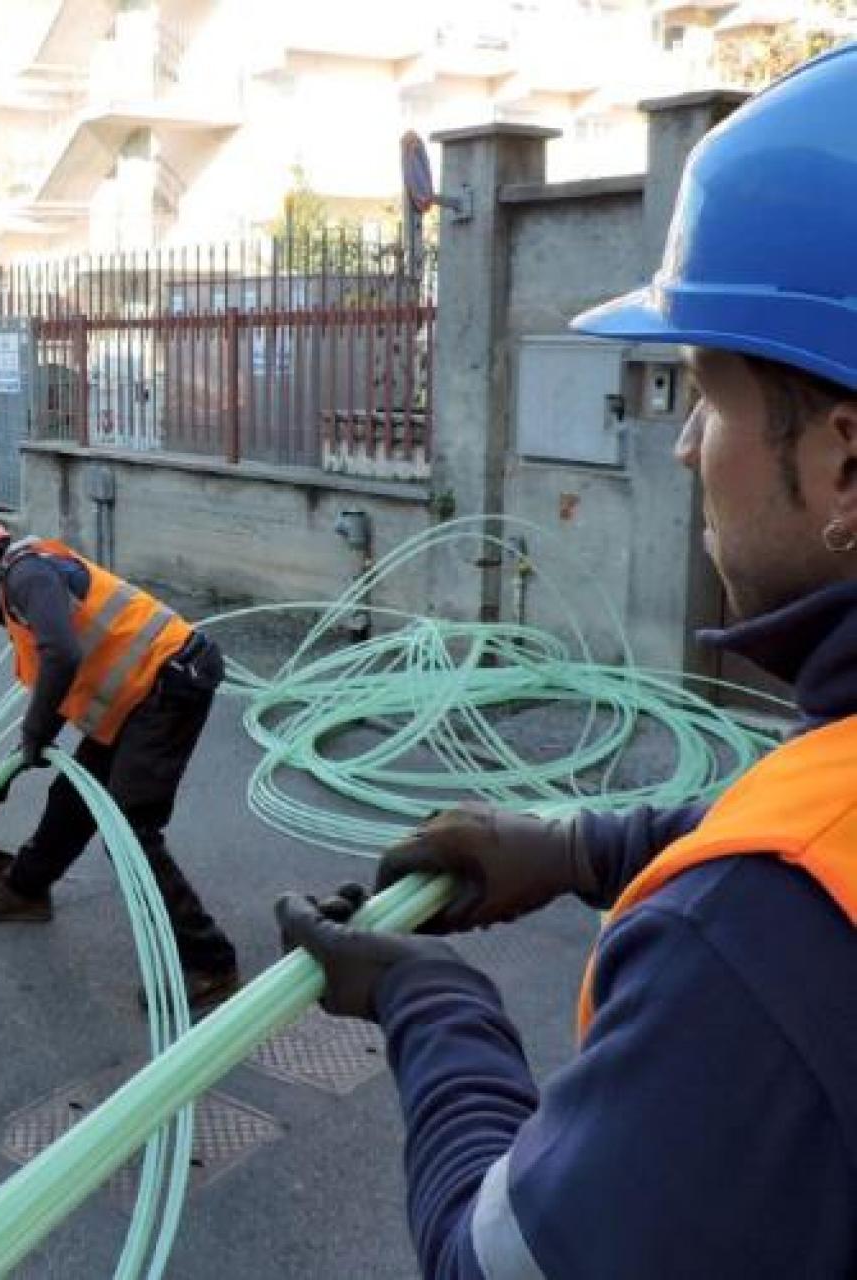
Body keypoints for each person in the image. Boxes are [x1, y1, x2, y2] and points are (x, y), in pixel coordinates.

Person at [276, 46, 857, 1278]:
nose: (689, 445)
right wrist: (580, 845)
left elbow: (494, 1263)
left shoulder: (748, 945)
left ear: (848, 463)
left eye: (709, 392)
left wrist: (431, 1005)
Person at [0, 512, 239, 1011]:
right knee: (72, 798)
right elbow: (66, 665)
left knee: (130, 830)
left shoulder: (25, 576)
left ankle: (210, 962)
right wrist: (29, 750)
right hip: (137, 697)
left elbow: (61, 655)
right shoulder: (23, 581)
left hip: (169, 685)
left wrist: (34, 733)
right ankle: (26, 890)